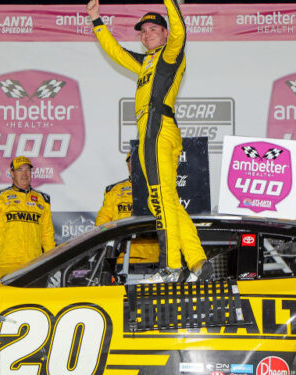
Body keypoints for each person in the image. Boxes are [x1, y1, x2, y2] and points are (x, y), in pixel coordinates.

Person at [87, 0, 211, 281]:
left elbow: (180, 30)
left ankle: (170, 267)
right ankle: (197, 261)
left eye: (153, 29)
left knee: (159, 196)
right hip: (153, 131)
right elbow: (116, 52)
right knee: (168, 202)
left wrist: (170, 2)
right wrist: (97, 21)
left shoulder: (170, 53)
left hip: (157, 127)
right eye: (143, 31)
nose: (146, 34)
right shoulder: (145, 62)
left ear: (165, 33)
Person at [0, 156, 55, 269]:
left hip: (33, 264)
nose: (24, 173)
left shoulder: (42, 200)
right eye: (20, 170)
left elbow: (47, 234)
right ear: (12, 173)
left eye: (27, 170)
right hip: (5, 263)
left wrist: (52, 259)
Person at [96, 152, 159, 264]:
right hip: (121, 257)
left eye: (137, 161)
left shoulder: (156, 188)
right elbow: (102, 222)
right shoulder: (115, 190)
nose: (133, 164)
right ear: (127, 165)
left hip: (152, 257)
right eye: (130, 161)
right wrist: (107, 238)